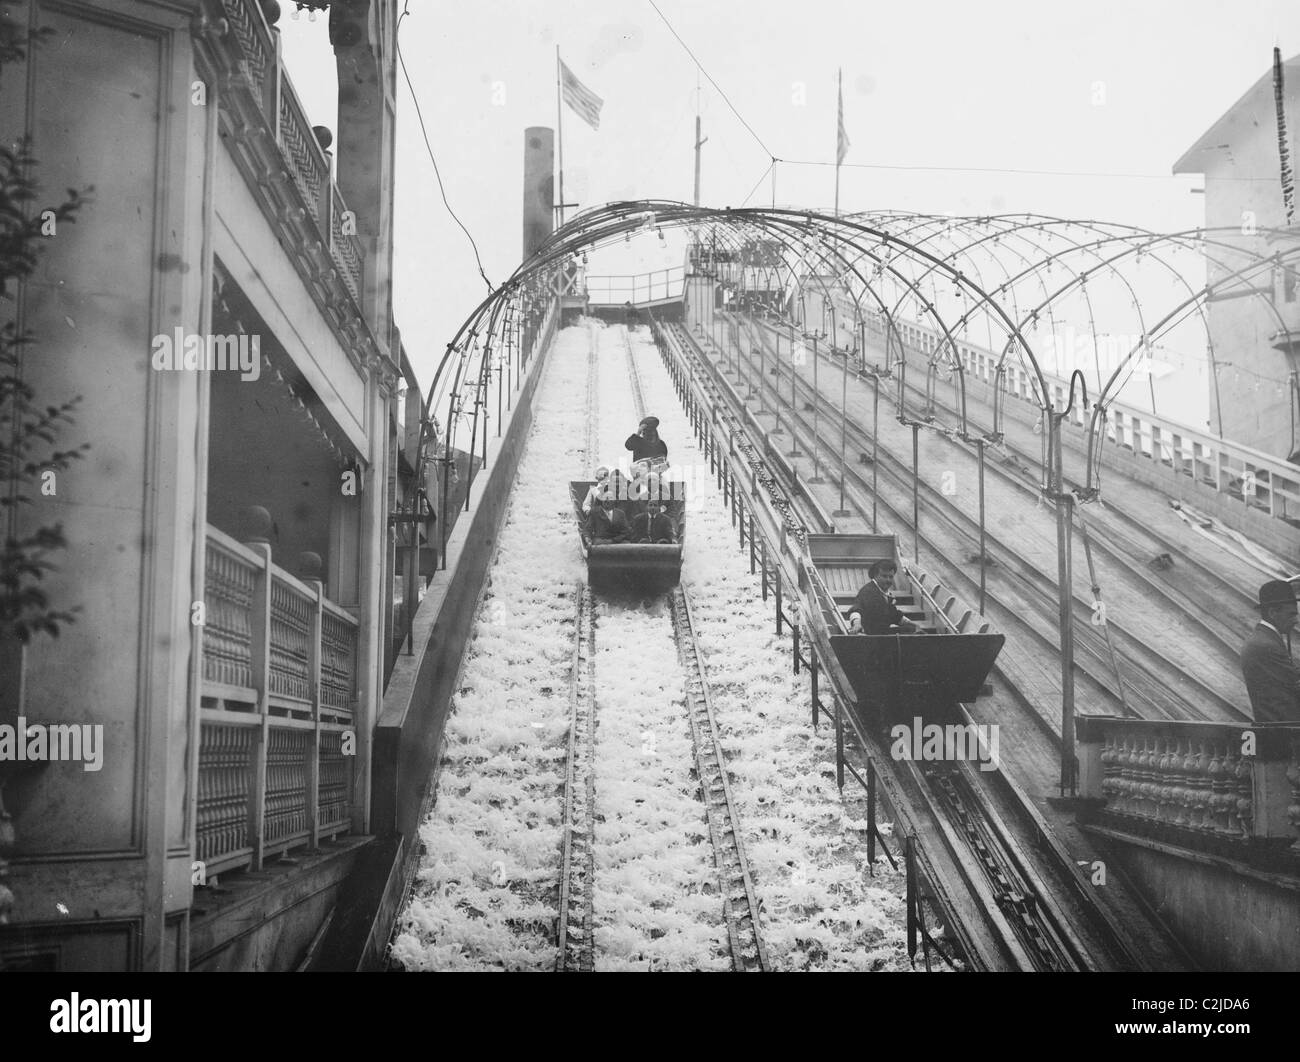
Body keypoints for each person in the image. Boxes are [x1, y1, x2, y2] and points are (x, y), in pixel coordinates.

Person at [1239, 579, 1300, 722]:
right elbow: (1294, 682)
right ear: (1273, 612)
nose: (1296, 620)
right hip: (1285, 732)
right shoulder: (1266, 645)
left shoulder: (1264, 638)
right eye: (1291, 614)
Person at [847, 560, 921, 635]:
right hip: (870, 635)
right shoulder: (867, 591)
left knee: (912, 629)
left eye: (891, 577)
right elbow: (856, 609)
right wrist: (857, 624)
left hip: (882, 632)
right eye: (884, 576)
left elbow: (894, 615)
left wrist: (913, 625)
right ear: (875, 576)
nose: (888, 580)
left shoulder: (886, 594)